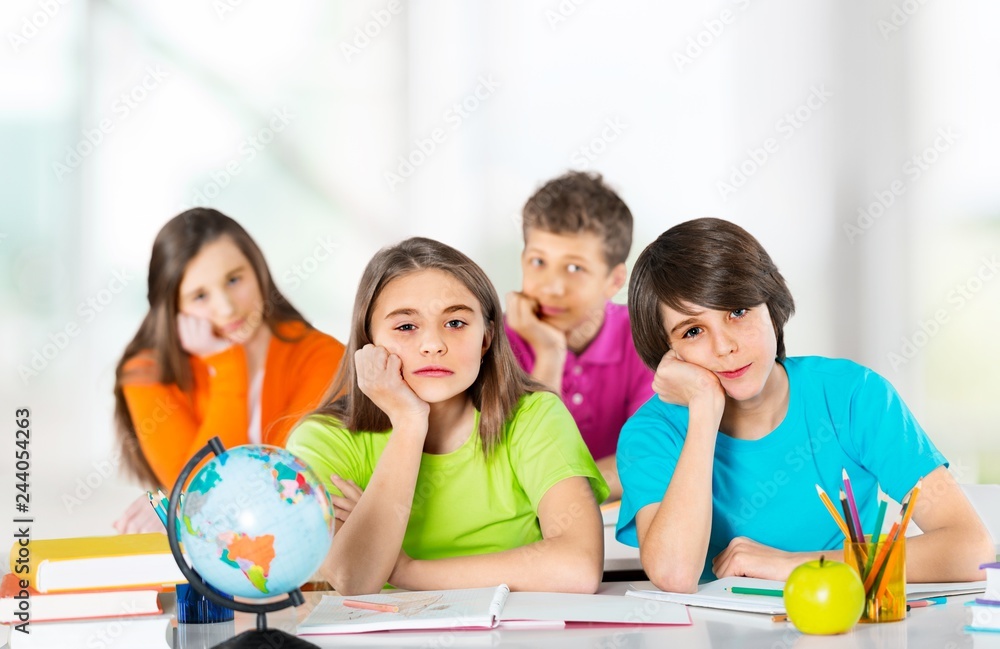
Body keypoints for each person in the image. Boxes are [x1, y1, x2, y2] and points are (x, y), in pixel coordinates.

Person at [616, 217, 994, 593]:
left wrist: (797, 566)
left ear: (771, 307)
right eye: (693, 331)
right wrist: (703, 408)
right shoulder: (651, 433)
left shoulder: (852, 395)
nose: (725, 346)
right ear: (668, 353)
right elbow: (675, 575)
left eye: (738, 311)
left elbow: (971, 550)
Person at [288, 237, 608, 596]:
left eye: (455, 323)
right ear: (368, 342)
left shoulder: (535, 416)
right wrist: (409, 423)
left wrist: (408, 571)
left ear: (486, 337)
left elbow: (578, 568)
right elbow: (355, 579)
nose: (433, 344)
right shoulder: (323, 438)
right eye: (406, 327)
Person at [112, 208, 345, 532]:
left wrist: (173, 499)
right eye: (200, 296)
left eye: (234, 280)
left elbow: (289, 485)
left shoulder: (322, 357)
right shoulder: (146, 374)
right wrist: (228, 366)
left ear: (258, 269)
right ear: (173, 308)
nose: (226, 307)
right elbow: (195, 494)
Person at [505, 171, 653, 501]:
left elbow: (649, 456)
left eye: (574, 268)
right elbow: (515, 463)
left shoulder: (643, 338)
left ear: (614, 281)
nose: (552, 287)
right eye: (538, 261)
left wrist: (560, 495)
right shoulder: (492, 342)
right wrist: (550, 352)